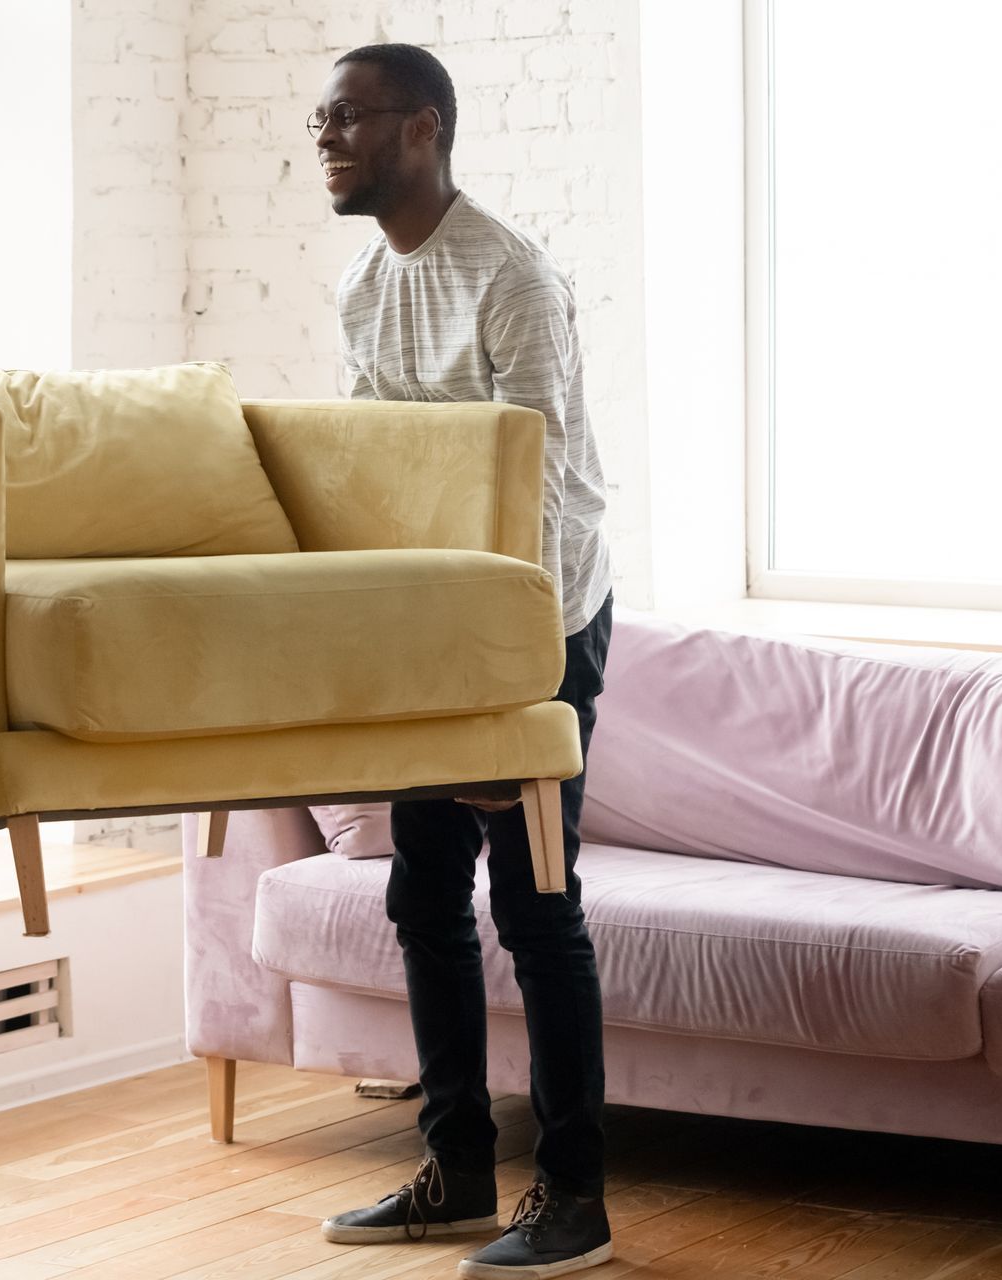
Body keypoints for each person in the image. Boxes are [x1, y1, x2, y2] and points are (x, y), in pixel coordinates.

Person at [310, 43, 617, 1280]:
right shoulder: (360, 288)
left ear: (423, 128)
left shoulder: (511, 278)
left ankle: (577, 1196)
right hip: (433, 623)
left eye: (348, 116)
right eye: (318, 119)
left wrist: (505, 692)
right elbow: (374, 479)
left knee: (536, 907)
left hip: (541, 620)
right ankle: (457, 1169)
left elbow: (542, 494)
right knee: (421, 895)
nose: (325, 137)